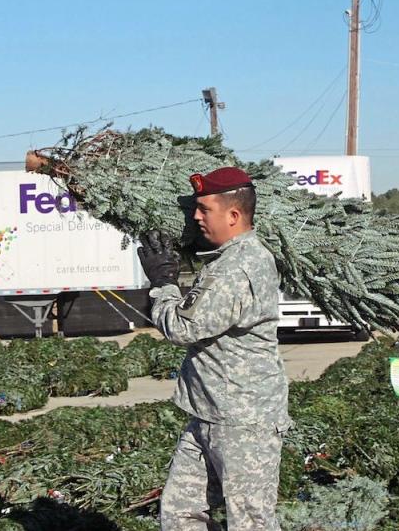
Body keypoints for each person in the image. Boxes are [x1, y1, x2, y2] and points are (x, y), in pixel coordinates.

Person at [136, 166, 292, 531]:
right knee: (180, 515)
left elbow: (182, 327)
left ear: (234, 215)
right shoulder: (226, 261)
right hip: (209, 414)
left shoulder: (238, 268)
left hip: (243, 422)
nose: (196, 216)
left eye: (204, 209)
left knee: (250, 523)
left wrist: (163, 283)